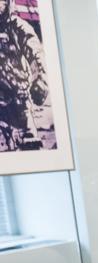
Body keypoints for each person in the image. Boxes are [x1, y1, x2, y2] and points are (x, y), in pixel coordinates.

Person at [0, 0, 47, 151]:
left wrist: (40, 80)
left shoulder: (17, 26)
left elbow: (35, 53)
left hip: (18, 99)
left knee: (30, 143)